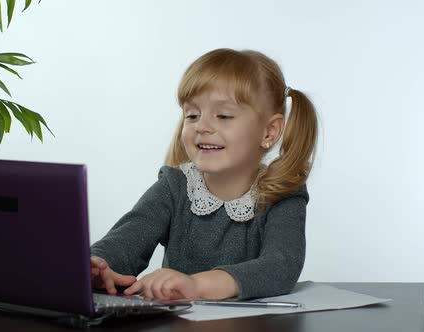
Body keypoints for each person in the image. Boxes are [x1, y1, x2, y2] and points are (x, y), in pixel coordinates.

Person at [90, 48, 318, 301]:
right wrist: (100, 265)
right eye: (192, 115)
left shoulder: (283, 193)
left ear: (269, 132)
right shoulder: (174, 187)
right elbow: (126, 240)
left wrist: (197, 285)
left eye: (223, 115)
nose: (202, 126)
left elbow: (281, 265)